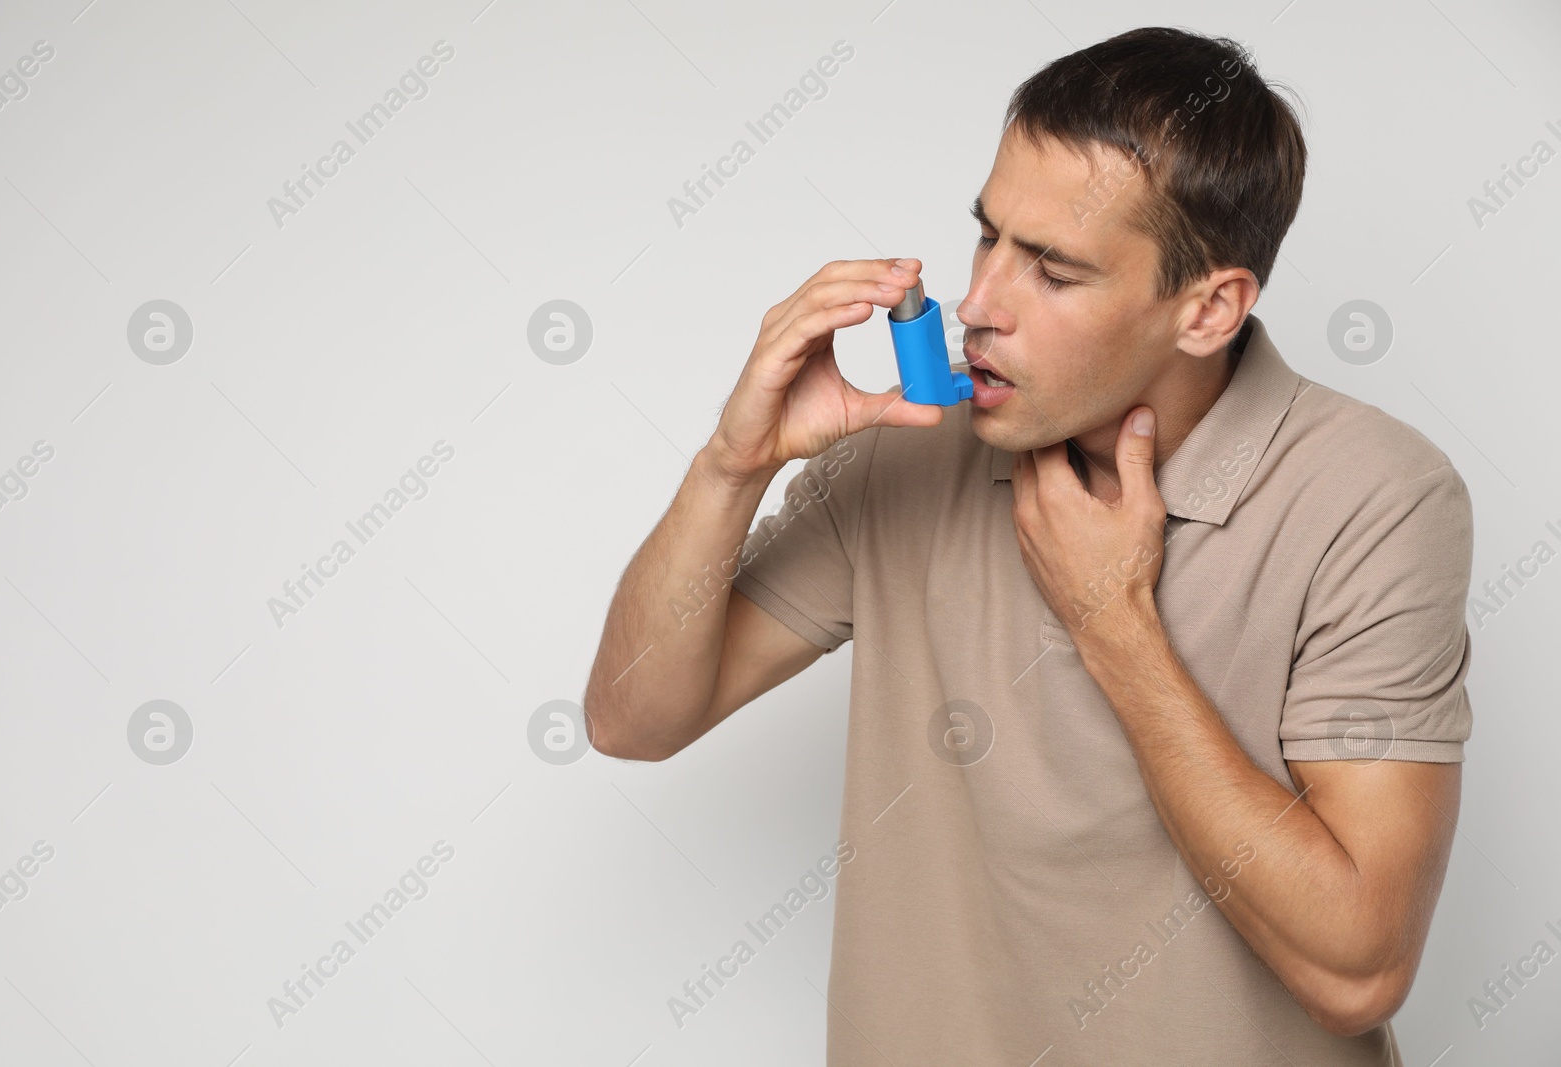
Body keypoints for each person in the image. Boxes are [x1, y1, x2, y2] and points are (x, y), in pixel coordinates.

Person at [584, 25, 1471, 1066]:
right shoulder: (907, 453)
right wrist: (732, 464)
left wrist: (1113, 623)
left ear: (1209, 309)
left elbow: (1355, 969)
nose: (980, 305)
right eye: (988, 237)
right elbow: (630, 717)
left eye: (1052, 270)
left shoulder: (1377, 496)